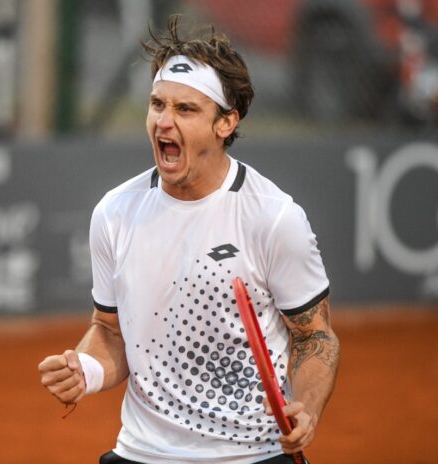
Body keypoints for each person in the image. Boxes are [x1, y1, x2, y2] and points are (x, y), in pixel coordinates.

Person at [38, 16, 340, 464]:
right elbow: (110, 330)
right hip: (142, 453)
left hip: (250, 454)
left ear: (226, 122)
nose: (164, 121)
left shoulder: (274, 218)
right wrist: (86, 368)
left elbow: (316, 337)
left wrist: (308, 408)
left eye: (185, 109)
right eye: (157, 104)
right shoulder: (114, 213)